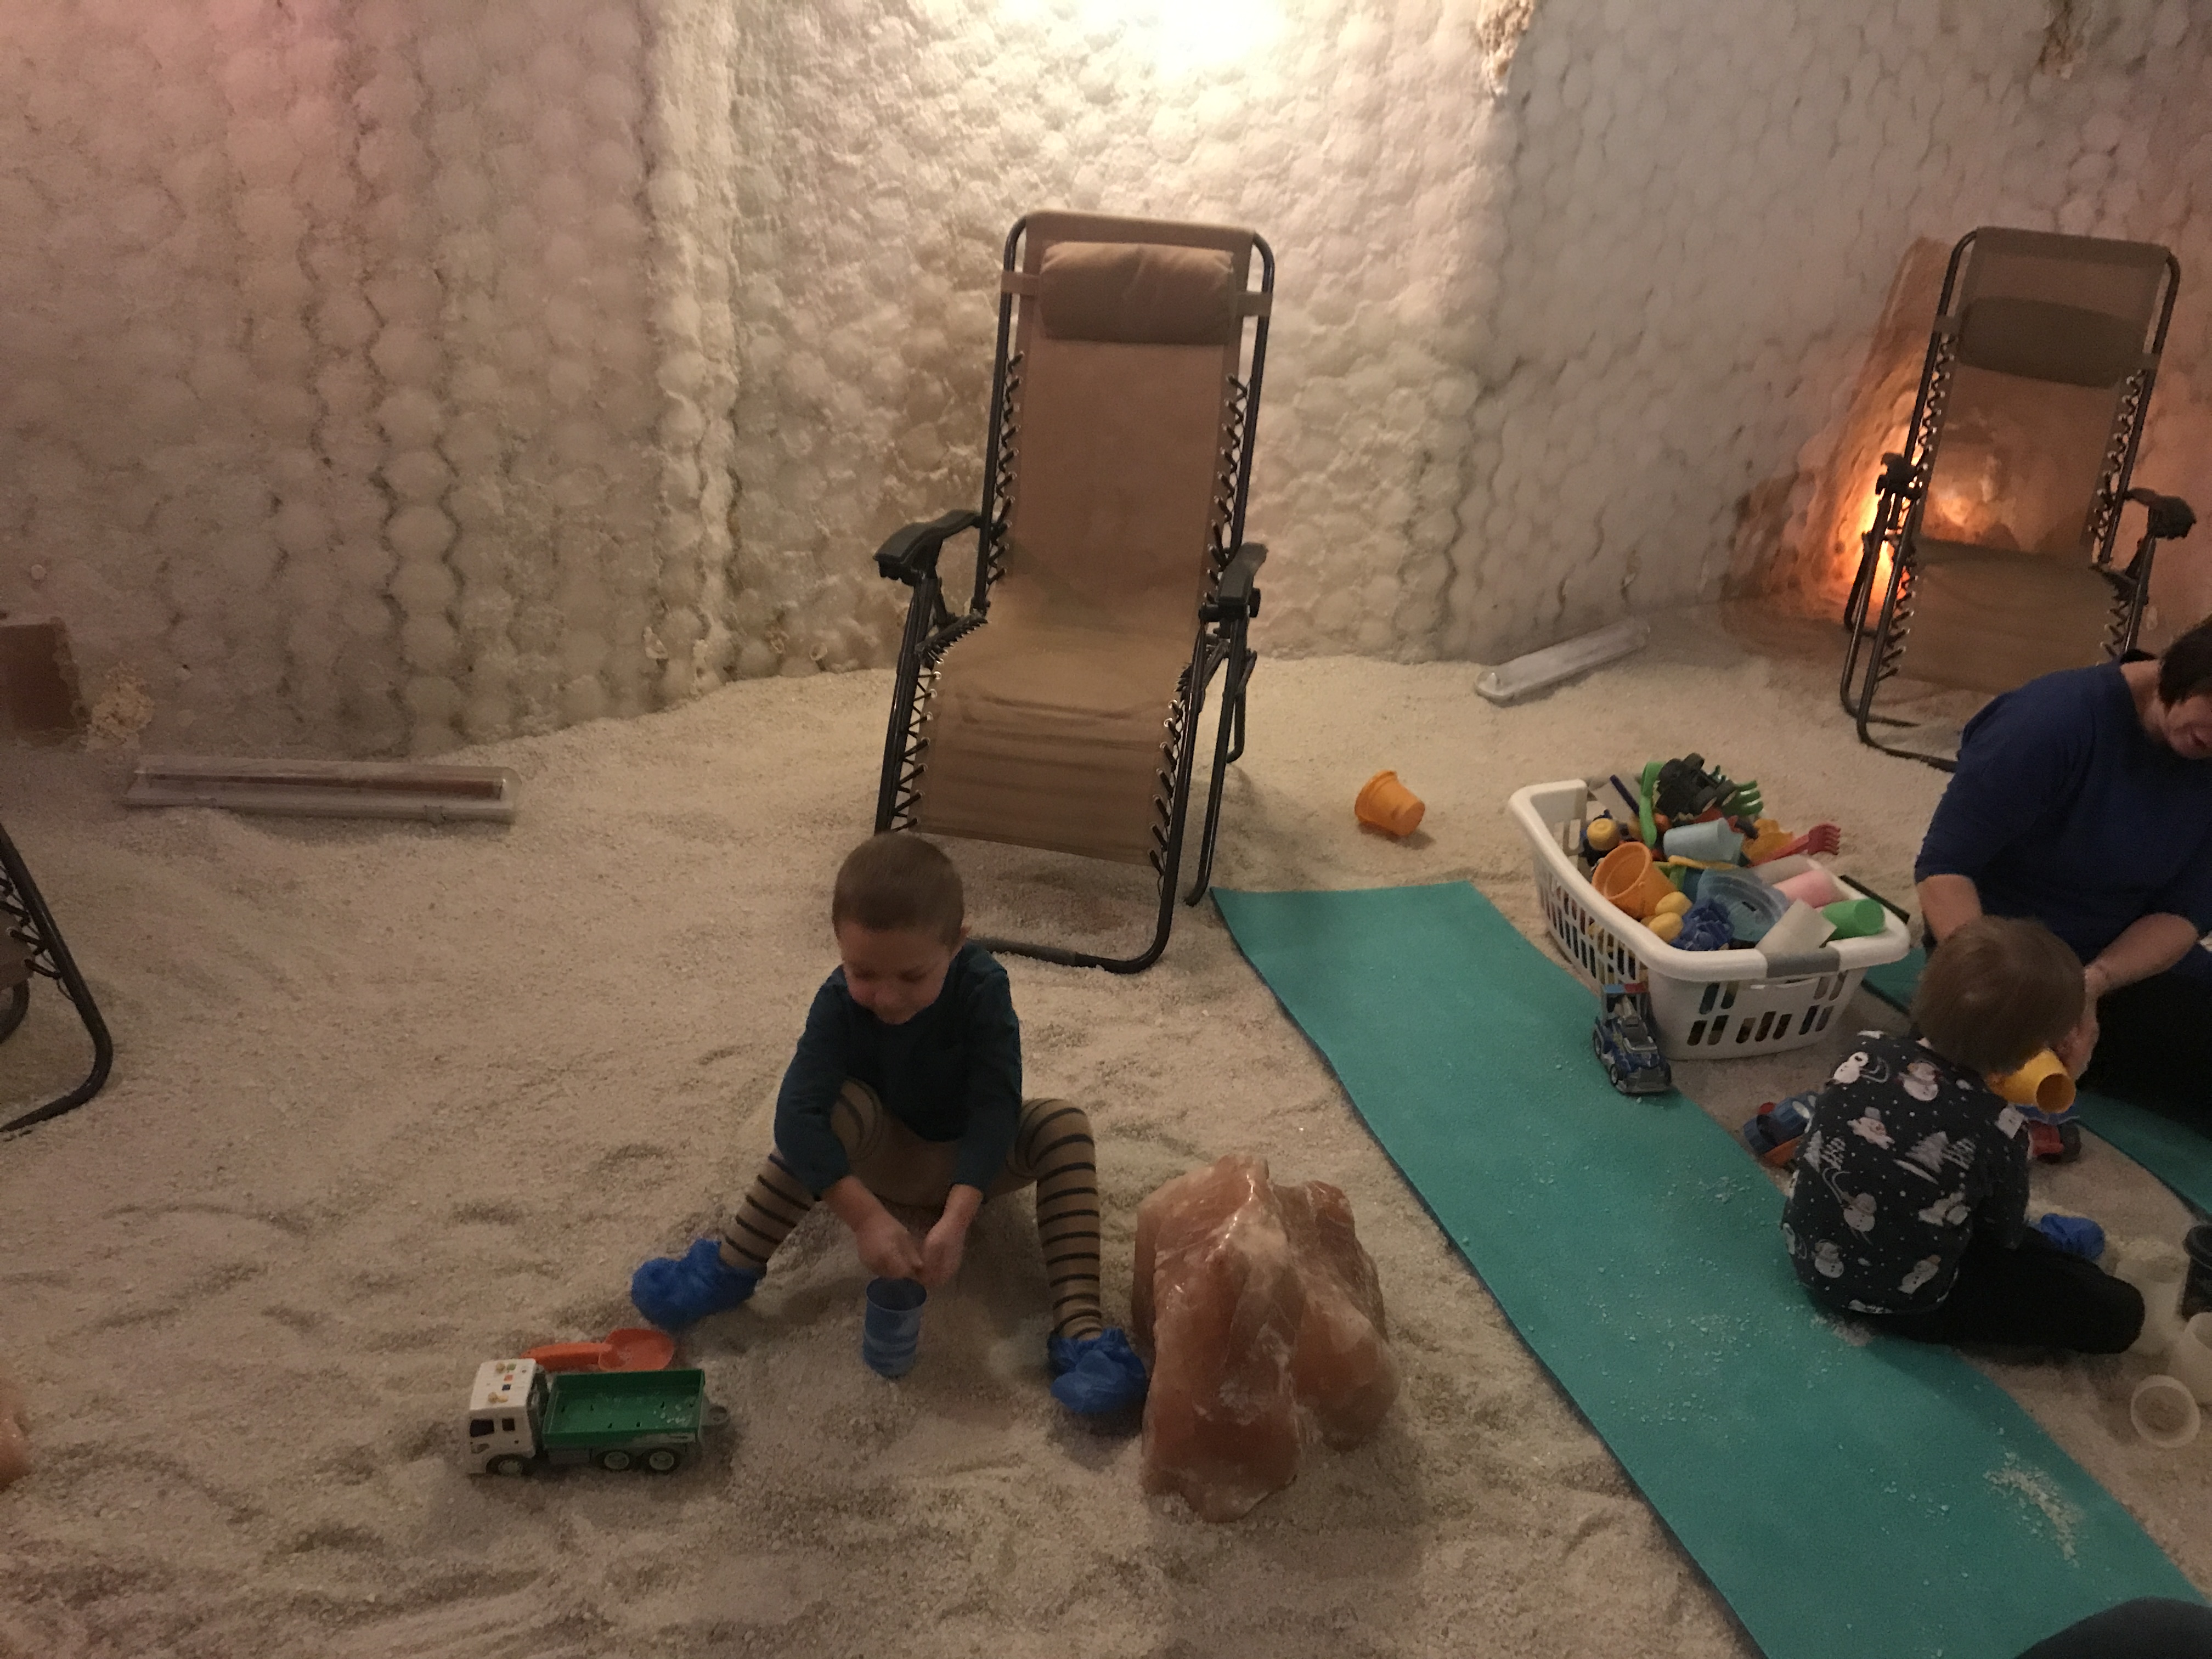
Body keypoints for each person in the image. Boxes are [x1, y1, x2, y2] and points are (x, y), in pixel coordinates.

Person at [629, 832, 1147, 1415]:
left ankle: (1080, 1330)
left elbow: (996, 1105)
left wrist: (959, 1214)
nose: (887, 997)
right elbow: (796, 1118)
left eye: (912, 976)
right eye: (864, 972)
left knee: (1064, 1125)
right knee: (833, 1108)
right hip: (882, 1157)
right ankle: (731, 1265)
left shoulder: (983, 987)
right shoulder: (837, 1001)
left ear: (957, 944)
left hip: (971, 1161)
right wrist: (865, 1217)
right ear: (839, 946)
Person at [1780, 916, 2143, 1353]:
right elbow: (2001, 1237)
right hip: (1911, 1302)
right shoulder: (2003, 1128)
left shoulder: (1862, 1050)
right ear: (2034, 1054)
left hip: (1807, 1258)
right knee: (2119, 1311)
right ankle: (2052, 1246)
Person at [1915, 614, 2212, 1110]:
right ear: (2192, 671)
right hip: (2004, 958)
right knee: (1973, 1071)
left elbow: (2185, 911)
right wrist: (2013, 987)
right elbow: (1946, 867)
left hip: (2122, 963)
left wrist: (2091, 985)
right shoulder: (2051, 720)